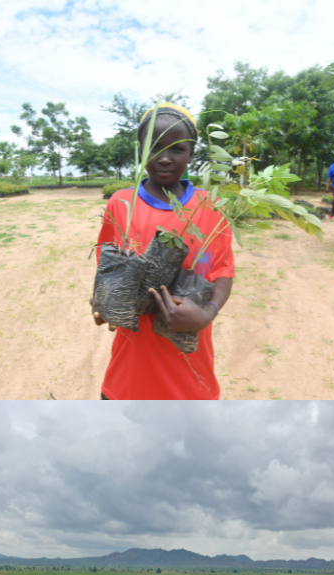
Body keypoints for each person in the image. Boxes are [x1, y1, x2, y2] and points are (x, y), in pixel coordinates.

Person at [92, 102, 236, 399]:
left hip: (190, 374)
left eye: (178, 150)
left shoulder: (211, 207)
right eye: (155, 148)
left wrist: (208, 313)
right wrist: (104, 303)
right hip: (129, 376)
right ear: (140, 150)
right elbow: (108, 269)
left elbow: (223, 272)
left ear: (192, 153)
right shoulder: (121, 204)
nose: (165, 158)